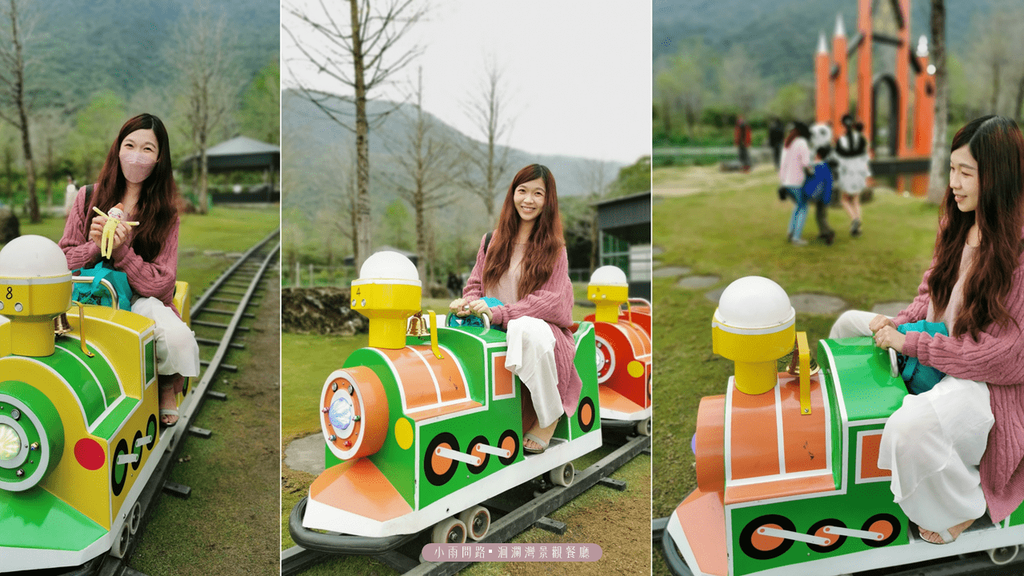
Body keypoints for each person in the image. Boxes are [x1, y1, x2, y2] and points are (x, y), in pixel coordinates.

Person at [828, 115, 1024, 544]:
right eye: (952, 169)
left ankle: (962, 508)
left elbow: (1008, 358)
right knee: (850, 324)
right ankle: (836, 437)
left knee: (910, 428)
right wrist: (897, 326)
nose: (953, 182)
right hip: (933, 346)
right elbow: (927, 294)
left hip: (985, 383)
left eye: (966, 173)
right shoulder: (957, 223)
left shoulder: (1018, 249)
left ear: (998, 176)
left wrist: (913, 343)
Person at [59, 113, 200, 427]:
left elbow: (164, 285)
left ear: (159, 157)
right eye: (130, 145)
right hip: (85, 292)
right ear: (117, 149)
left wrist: (123, 251)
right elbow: (63, 258)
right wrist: (96, 245)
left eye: (148, 149)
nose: (137, 155)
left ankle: (166, 385)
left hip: (138, 299)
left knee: (176, 337)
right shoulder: (87, 197)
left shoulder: (166, 213)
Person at [449, 164, 579, 454]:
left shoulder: (555, 248)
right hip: (491, 329)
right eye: (522, 191)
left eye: (537, 193)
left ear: (548, 201)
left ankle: (549, 416)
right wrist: (467, 304)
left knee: (523, 328)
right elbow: (474, 286)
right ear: (512, 195)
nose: (528, 200)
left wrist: (503, 313)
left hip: (539, 333)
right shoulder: (491, 240)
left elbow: (554, 302)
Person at [785, 145, 833, 246]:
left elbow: (808, 181)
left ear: (818, 154)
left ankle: (828, 233)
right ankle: (824, 232)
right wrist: (827, 198)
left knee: (818, 215)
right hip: (823, 196)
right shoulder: (826, 167)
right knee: (821, 216)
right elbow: (828, 184)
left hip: (813, 195)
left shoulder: (813, 166)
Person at [835, 115, 871, 236]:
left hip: (847, 171)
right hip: (859, 171)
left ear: (843, 125)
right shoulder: (861, 139)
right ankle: (857, 229)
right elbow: (864, 155)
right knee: (856, 199)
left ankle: (854, 220)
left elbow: (838, 158)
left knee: (844, 199)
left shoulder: (841, 140)